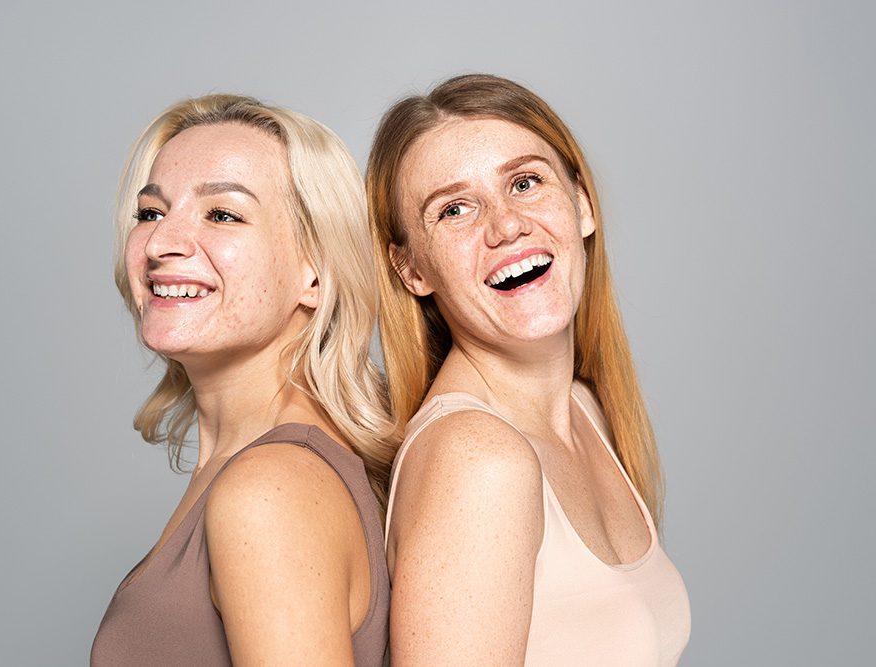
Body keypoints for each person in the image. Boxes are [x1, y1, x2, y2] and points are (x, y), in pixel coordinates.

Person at [366, 74, 691, 665]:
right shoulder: (476, 458)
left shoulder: (586, 409)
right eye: (455, 210)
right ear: (411, 270)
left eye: (524, 182)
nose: (507, 226)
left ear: (582, 204)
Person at [92, 94, 394, 666]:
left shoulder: (269, 490)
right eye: (151, 213)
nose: (160, 243)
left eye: (222, 215)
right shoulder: (253, 470)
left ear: (315, 272)